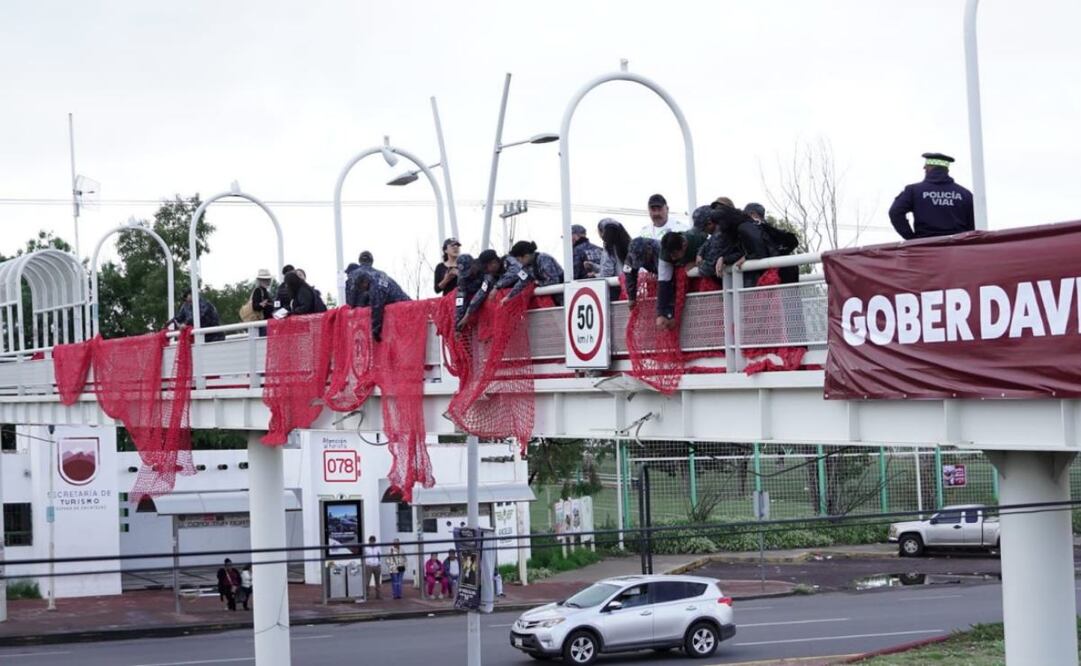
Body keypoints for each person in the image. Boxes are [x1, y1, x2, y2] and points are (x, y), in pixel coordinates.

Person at [889, 152, 975, 240]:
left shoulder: (914, 191)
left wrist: (911, 238)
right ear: (946, 170)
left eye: (925, 166)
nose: (923, 168)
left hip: (926, 247)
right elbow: (975, 221)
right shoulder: (965, 194)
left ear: (929, 168)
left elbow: (895, 212)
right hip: (958, 247)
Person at [349, 265, 411, 341]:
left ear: (364, 283)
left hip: (403, 310)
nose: (362, 290)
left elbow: (377, 308)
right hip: (406, 302)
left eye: (361, 287)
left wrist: (375, 330)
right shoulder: (376, 275)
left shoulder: (375, 289)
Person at [455, 250, 503, 331]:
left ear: (473, 264)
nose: (468, 275)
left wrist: (467, 315)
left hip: (488, 293)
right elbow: (460, 299)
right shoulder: (462, 278)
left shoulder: (485, 268)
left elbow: (483, 291)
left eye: (469, 271)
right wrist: (458, 322)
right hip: (472, 295)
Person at [623, 236, 660, 308]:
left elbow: (664, 277)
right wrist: (631, 297)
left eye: (643, 259)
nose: (642, 263)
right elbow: (629, 274)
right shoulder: (631, 255)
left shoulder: (660, 249)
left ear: (649, 250)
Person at [362, 535, 382, 600]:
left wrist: (379, 563)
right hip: (369, 565)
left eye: (373, 541)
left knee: (377, 582)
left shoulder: (377, 547)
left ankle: (378, 595)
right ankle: (367, 595)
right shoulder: (366, 547)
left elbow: (379, 555)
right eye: (371, 541)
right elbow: (363, 555)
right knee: (367, 581)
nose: (372, 542)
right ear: (369, 541)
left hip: (376, 565)